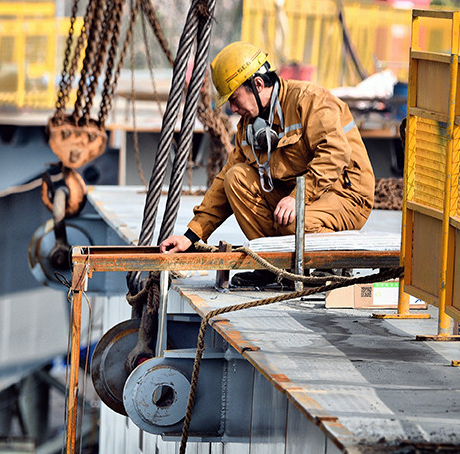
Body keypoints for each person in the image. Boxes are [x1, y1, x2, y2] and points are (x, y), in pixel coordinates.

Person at [159, 41, 374, 286]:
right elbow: (224, 180)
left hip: (346, 195)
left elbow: (334, 153)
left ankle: (330, 265)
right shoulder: (249, 126)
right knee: (236, 178)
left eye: (235, 98)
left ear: (258, 84)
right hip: (298, 196)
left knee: (293, 222)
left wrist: (296, 198)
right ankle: (275, 265)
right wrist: (192, 236)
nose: (232, 108)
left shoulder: (310, 100)